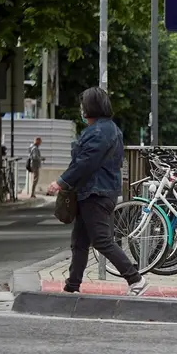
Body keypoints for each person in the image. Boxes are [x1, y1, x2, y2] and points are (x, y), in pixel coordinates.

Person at [47, 87, 148, 297]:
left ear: (91, 107)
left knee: (102, 240)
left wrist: (61, 182)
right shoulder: (106, 129)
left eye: (83, 105)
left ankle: (135, 279)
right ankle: (72, 285)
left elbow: (86, 163)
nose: (81, 109)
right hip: (92, 192)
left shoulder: (101, 132)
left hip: (96, 193)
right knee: (80, 242)